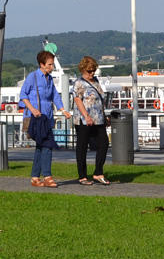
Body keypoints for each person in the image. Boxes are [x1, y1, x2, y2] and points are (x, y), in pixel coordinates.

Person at [20, 49, 68, 187]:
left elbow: (55, 96)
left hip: (47, 118)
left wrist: (63, 110)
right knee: (47, 145)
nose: (52, 67)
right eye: (49, 64)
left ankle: (35, 177)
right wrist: (33, 109)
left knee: (41, 147)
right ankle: (47, 176)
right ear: (41, 64)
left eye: (52, 64)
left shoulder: (49, 79)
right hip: (35, 118)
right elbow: (23, 95)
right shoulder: (32, 77)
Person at [72, 56, 110, 185]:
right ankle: (82, 175)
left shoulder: (96, 81)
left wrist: (104, 116)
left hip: (98, 119)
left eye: (93, 70)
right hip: (83, 120)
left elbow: (100, 100)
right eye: (89, 71)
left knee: (104, 143)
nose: (92, 73)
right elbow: (77, 100)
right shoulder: (79, 83)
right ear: (83, 70)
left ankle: (98, 172)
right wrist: (86, 116)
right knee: (82, 147)